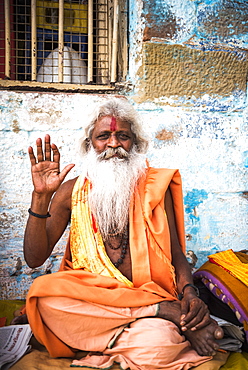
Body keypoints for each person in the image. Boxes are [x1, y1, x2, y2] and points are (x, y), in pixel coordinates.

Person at [23, 98, 223, 369]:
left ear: (135, 144)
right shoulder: (70, 192)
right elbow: (35, 259)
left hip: (147, 297)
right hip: (97, 301)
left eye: (123, 136)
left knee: (159, 346)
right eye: (103, 136)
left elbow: (176, 253)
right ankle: (162, 317)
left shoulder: (154, 188)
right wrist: (41, 196)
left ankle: (99, 338)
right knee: (43, 295)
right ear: (89, 145)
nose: (114, 144)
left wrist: (189, 294)